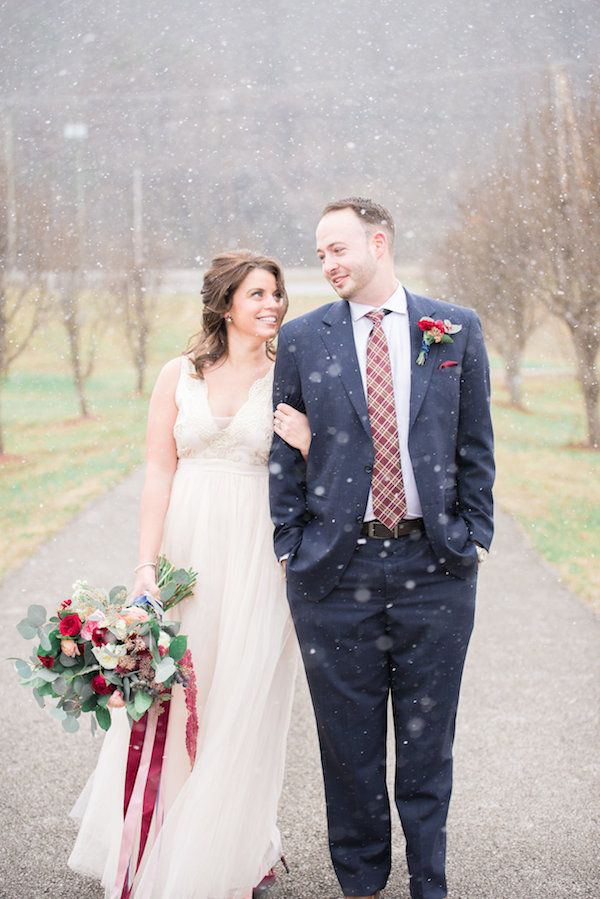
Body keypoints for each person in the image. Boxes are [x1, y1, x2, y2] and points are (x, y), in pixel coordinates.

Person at [269, 197, 495, 899]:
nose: (329, 264)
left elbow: (476, 446)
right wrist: (290, 545)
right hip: (335, 573)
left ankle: (430, 881)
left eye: (338, 249)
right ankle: (361, 882)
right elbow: (283, 454)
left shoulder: (453, 328)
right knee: (349, 747)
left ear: (379, 242)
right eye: (320, 255)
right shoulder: (306, 339)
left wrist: (473, 538)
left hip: (436, 567)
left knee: (429, 742)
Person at [69, 251, 311, 899]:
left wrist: (314, 441)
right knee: (175, 700)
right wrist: (145, 564)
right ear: (226, 302)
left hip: (261, 557)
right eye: (258, 293)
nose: (272, 304)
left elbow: (328, 473)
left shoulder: (291, 375)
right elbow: (159, 471)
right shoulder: (179, 375)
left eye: (277, 293)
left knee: (243, 702)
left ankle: (232, 850)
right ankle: (165, 841)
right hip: (187, 557)